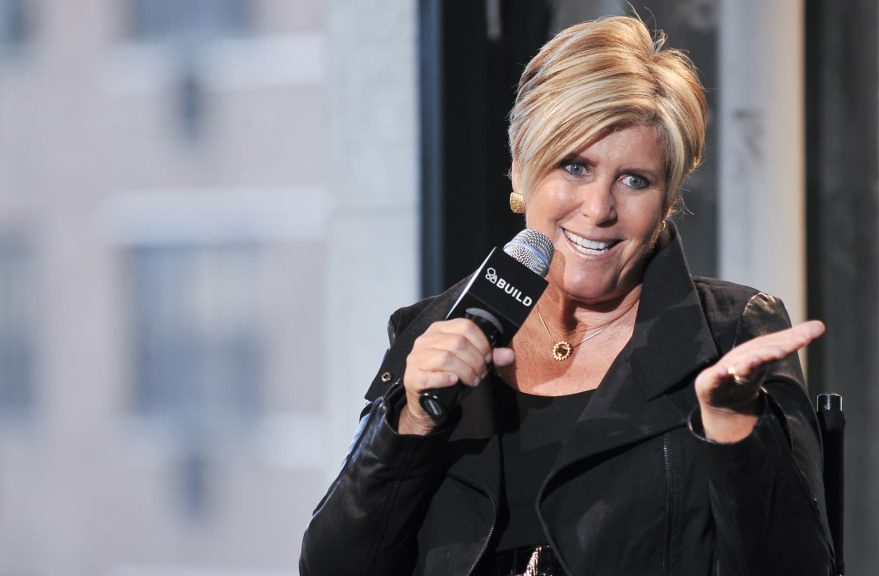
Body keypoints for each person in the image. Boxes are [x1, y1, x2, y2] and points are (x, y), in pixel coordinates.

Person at [300, 15, 835, 576]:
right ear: (519, 172)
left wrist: (732, 428)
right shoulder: (432, 329)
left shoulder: (729, 335)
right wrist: (410, 422)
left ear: (667, 199)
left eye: (635, 180)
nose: (599, 208)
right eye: (575, 167)